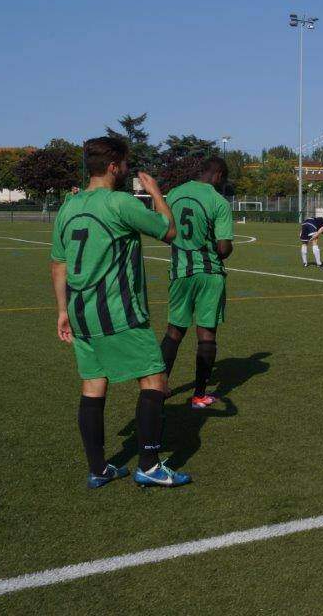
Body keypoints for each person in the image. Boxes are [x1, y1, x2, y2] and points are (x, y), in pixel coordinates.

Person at [49, 136, 190, 489]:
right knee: (155, 378)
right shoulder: (119, 203)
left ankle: (98, 468)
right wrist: (157, 193)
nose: (127, 170)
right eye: (125, 164)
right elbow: (169, 231)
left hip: (80, 311)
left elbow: (58, 263)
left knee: (94, 384)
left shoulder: (69, 206)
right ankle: (150, 465)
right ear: (114, 167)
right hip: (118, 311)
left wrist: (62, 311)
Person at [159, 156, 235, 410]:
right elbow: (224, 249)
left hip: (180, 270)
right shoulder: (218, 201)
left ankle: (159, 386)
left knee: (174, 330)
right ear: (217, 176)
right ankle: (199, 395)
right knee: (206, 333)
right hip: (209, 273)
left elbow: (166, 232)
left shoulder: (174, 194)